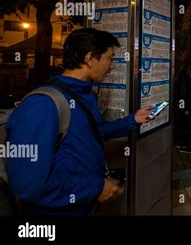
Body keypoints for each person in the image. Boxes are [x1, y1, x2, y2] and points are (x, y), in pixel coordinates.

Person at [6, 28, 154, 216]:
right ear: (90, 58)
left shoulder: (85, 95)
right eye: (110, 58)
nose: (112, 65)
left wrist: (132, 120)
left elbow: (93, 132)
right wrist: (95, 188)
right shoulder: (42, 105)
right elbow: (25, 183)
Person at [174, 61, 191, 153]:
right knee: (184, 126)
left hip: (181, 108)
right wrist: (185, 109)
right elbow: (183, 94)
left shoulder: (182, 77)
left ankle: (180, 143)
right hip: (184, 109)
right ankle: (183, 145)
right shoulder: (184, 78)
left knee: (181, 125)